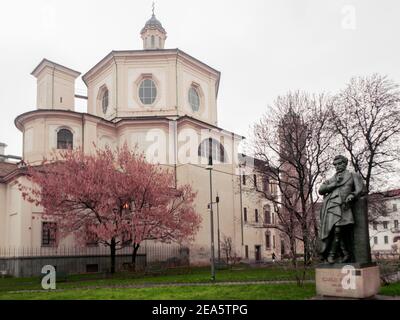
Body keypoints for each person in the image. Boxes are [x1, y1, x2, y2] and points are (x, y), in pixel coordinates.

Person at [319, 155, 366, 264]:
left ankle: (334, 254)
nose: (338, 166)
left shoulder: (353, 175)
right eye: (336, 164)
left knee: (338, 230)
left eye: (340, 163)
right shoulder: (332, 179)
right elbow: (321, 190)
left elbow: (360, 189)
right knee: (333, 231)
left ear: (345, 163)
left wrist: (353, 195)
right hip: (332, 207)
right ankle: (344, 254)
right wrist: (335, 184)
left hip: (345, 207)